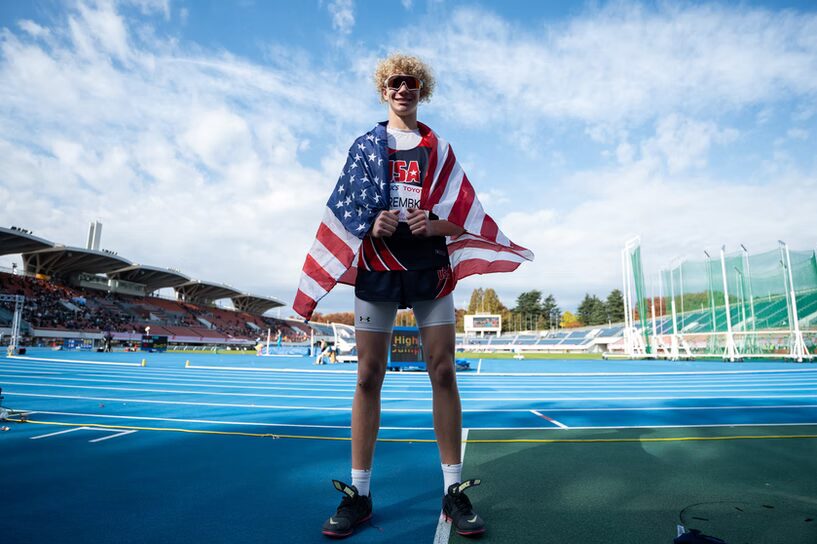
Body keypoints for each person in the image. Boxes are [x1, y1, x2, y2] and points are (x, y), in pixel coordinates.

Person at [293, 53, 533, 539]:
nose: (404, 88)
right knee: (367, 375)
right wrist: (371, 222)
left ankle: (453, 489)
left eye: (413, 82)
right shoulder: (363, 147)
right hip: (378, 265)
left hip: (428, 265)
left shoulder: (438, 150)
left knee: (442, 370)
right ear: (384, 90)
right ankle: (359, 494)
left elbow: (460, 216)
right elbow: (345, 208)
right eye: (395, 82)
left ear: (423, 91)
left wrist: (431, 223)